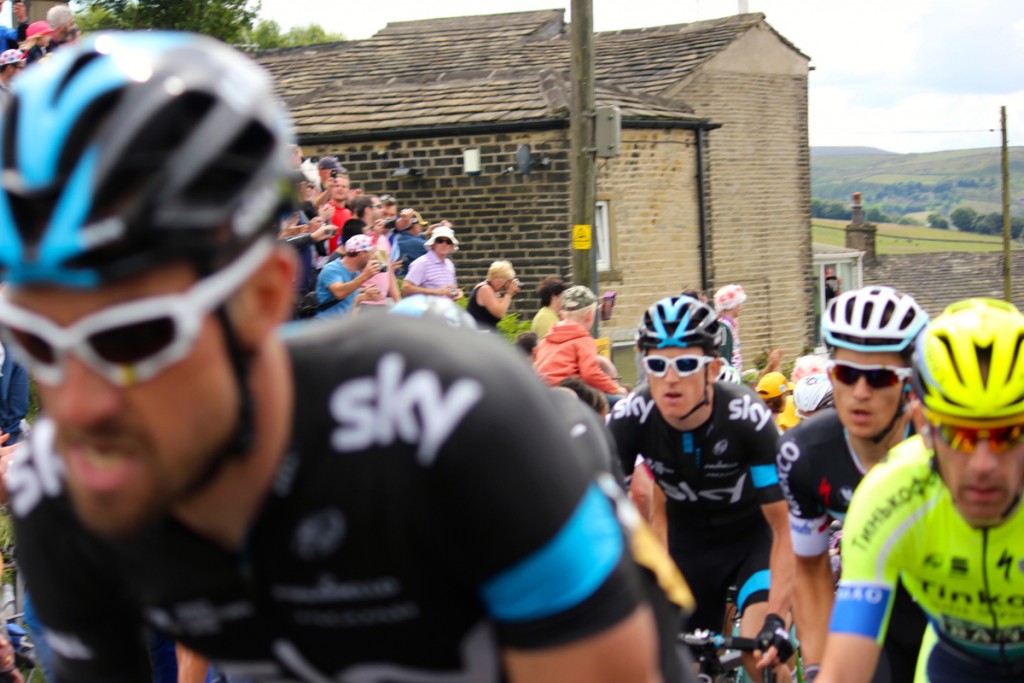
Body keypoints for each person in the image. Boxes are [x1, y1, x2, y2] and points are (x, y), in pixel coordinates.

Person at [0, 32, 666, 682]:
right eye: (34, 337)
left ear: (263, 300)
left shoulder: (448, 415)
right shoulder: (61, 493)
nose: (78, 402)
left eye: (134, 336)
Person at [819, 297, 1024, 683]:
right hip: (955, 664)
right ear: (923, 425)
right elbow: (843, 673)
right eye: (959, 434)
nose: (983, 465)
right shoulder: (889, 495)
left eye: (1007, 434)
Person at [607, 295, 794, 683]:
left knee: (759, 656)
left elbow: (783, 527)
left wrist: (777, 620)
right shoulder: (631, 419)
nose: (670, 378)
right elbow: (605, 520)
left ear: (713, 369)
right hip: (688, 548)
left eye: (686, 364)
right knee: (679, 670)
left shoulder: (745, 416)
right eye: (657, 365)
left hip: (752, 542)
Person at [778, 286, 929, 683]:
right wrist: (816, 666)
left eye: (879, 377)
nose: (860, 392)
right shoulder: (803, 454)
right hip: (870, 614)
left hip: (949, 617)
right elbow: (810, 571)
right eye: (846, 374)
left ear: (909, 384)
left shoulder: (944, 447)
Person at [534, 285, 628, 399]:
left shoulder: (547, 339)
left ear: (562, 315)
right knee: (621, 401)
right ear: (589, 316)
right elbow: (590, 373)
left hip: (543, 393)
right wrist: (616, 389)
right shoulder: (583, 340)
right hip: (570, 395)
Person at [314, 234, 383, 318]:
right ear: (362, 253)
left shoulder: (355, 272)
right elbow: (339, 293)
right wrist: (364, 276)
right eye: (371, 253)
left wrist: (365, 294)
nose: (372, 258)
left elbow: (351, 302)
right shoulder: (332, 269)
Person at [401, 224, 463, 300]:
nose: (444, 244)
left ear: (451, 246)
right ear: (433, 243)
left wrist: (457, 293)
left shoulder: (449, 264)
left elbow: (449, 291)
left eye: (448, 241)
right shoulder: (422, 263)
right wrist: (437, 292)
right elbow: (406, 288)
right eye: (440, 240)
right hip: (427, 310)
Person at [465, 260, 521, 330]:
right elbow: (499, 313)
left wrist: (510, 294)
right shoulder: (485, 289)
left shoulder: (493, 291)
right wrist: (508, 293)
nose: (506, 286)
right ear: (496, 278)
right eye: (506, 282)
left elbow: (501, 308)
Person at [713, 284, 746, 373]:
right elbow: (724, 359)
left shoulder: (729, 326)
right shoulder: (723, 328)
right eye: (739, 304)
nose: (741, 307)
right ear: (733, 305)